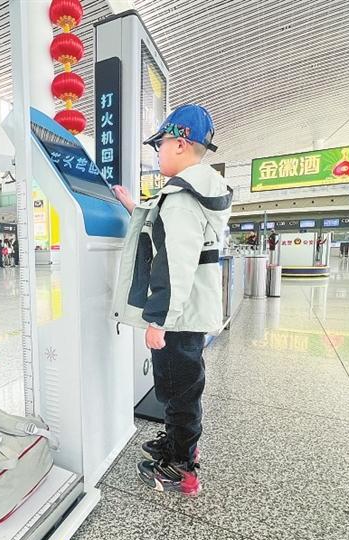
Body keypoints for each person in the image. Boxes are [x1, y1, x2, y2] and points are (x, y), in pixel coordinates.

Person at [111, 104, 232, 496]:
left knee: (179, 392)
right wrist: (135, 208)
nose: (157, 152)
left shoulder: (182, 197)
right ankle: (178, 445)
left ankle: (181, 469)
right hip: (189, 311)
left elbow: (175, 263)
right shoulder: (199, 191)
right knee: (179, 387)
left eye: (159, 144)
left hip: (179, 317)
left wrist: (158, 321)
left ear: (180, 143)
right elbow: (172, 233)